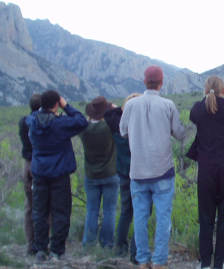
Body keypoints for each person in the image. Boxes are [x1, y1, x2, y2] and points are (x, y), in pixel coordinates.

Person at [119, 65, 186, 269]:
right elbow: (180, 134)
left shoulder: (131, 106)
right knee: (163, 219)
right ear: (162, 82)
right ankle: (159, 262)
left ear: (144, 82)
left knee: (140, 218)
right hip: (163, 171)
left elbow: (122, 131)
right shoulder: (168, 105)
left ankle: (143, 260)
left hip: (138, 172)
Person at [186, 75, 224, 269]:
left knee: (205, 215)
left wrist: (209, 95)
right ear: (223, 89)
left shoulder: (198, 108)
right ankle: (219, 263)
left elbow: (194, 116)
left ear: (205, 89)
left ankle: (205, 263)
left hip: (206, 167)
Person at [26, 90, 88, 262]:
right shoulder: (61, 124)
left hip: (39, 173)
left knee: (39, 212)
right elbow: (82, 121)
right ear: (56, 104)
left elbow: (30, 116)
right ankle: (56, 250)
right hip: (59, 173)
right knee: (61, 212)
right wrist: (66, 105)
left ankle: (40, 249)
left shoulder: (32, 121)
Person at [103, 93, 141, 262]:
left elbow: (108, 113)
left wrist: (122, 108)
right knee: (141, 213)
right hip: (140, 175)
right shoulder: (140, 126)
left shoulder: (118, 126)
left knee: (126, 211)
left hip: (124, 174)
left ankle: (120, 246)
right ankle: (135, 250)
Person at [79, 96, 119, 249]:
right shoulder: (109, 127)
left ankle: (88, 243)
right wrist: (112, 107)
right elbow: (120, 114)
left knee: (92, 210)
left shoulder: (83, 129)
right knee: (109, 210)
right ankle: (107, 244)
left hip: (91, 176)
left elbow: (79, 118)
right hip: (110, 174)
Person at [18, 93, 41, 255]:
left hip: (27, 164)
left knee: (29, 205)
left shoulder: (23, 122)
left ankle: (30, 244)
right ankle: (41, 243)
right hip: (40, 164)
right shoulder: (41, 123)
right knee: (44, 205)